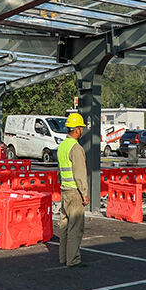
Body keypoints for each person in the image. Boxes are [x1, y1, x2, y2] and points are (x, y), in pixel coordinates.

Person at [56, 112, 89, 268]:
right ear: (77, 129)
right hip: (75, 192)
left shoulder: (62, 146)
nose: (82, 130)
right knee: (75, 228)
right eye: (81, 127)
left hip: (64, 190)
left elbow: (59, 170)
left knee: (64, 226)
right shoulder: (76, 148)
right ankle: (73, 259)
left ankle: (63, 257)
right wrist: (85, 194)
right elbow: (80, 174)